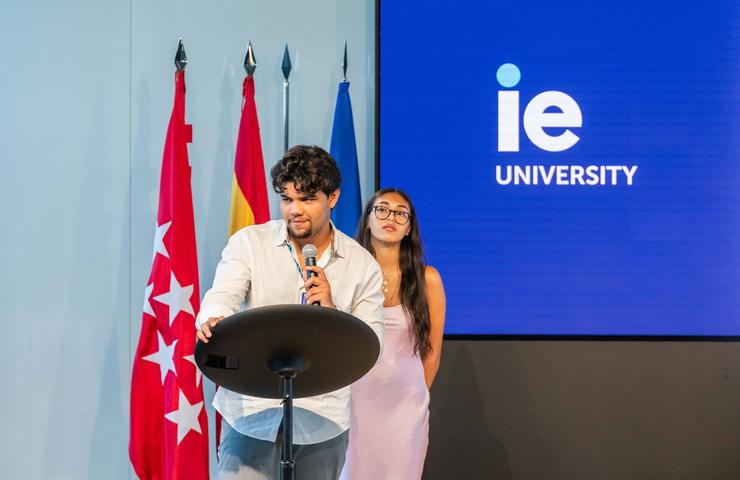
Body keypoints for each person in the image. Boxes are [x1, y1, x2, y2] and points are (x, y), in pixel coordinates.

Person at [196, 145, 385, 480]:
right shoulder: (249, 243)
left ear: (334, 197)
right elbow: (221, 296)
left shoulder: (362, 265)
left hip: (322, 421)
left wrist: (331, 310)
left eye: (308, 199)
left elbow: (372, 344)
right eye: (287, 199)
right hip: (251, 414)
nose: (295, 210)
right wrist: (213, 319)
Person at [341, 188, 446, 480]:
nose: (391, 218)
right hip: (353, 402)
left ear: (409, 227)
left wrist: (416, 394)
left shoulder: (429, 280)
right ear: (368, 221)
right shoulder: (345, 275)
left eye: (401, 213)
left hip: (405, 407)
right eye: (382, 209)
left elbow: (433, 350)